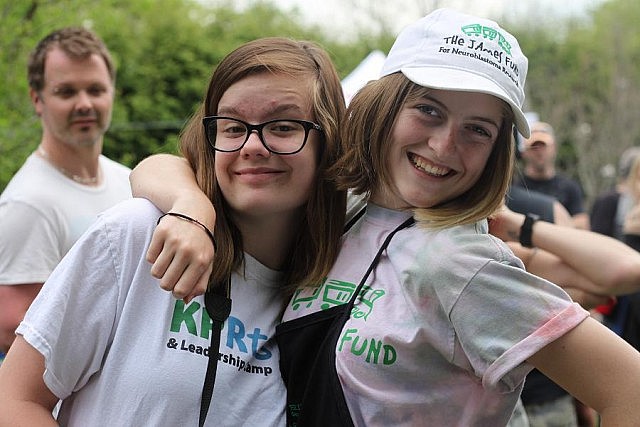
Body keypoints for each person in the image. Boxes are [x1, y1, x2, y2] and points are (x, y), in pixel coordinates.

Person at [129, 9, 640, 426]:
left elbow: (628, 387)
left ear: (496, 152)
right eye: (429, 111)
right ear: (385, 106)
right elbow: (159, 167)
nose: (444, 146)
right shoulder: (337, 207)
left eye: (478, 130)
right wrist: (192, 210)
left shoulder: (465, 263)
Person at [0, 36, 347, 425]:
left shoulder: (337, 281)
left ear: (328, 140)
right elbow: (14, 400)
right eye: (232, 127)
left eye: (283, 126)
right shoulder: (138, 234)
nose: (252, 145)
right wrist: (192, 210)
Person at [0, 27, 132, 356]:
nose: (85, 103)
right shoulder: (29, 202)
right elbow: (12, 326)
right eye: (66, 91)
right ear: (37, 99)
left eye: (95, 89)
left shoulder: (128, 181)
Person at [513, 121, 590, 229]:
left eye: (543, 146)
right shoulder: (514, 188)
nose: (539, 152)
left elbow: (582, 224)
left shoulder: (570, 188)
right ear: (524, 152)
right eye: (534, 147)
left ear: (554, 148)